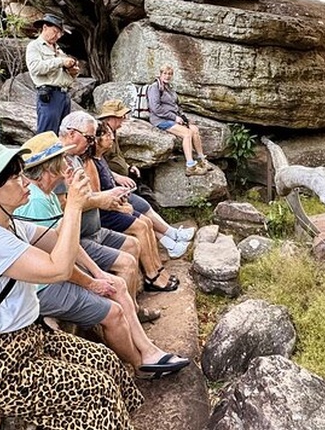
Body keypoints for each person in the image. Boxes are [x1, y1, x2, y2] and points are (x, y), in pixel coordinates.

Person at [0, 140, 143, 430]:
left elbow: (61, 242)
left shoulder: (10, 224)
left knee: (105, 360)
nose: (26, 181)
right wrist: (74, 206)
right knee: (97, 389)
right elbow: (58, 268)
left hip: (29, 340)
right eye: (15, 177)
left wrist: (78, 201)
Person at [14, 132, 191, 374]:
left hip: (58, 272)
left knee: (116, 283)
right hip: (43, 285)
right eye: (61, 159)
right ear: (49, 168)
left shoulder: (46, 194)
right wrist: (92, 282)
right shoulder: (36, 202)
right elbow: (57, 261)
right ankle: (140, 366)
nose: (67, 162)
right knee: (113, 310)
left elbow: (65, 242)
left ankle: (149, 350)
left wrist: (98, 273)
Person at [60, 112, 179, 291]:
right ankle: (152, 275)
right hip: (90, 229)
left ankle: (156, 270)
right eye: (89, 138)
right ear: (71, 133)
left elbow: (90, 194)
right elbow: (71, 203)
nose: (91, 143)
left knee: (144, 224)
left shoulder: (78, 158)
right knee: (140, 226)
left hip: (96, 225)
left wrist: (112, 195)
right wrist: (107, 199)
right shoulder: (64, 163)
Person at [97, 99, 196, 255]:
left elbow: (117, 157)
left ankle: (172, 238)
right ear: (111, 118)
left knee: (146, 206)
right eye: (121, 117)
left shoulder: (112, 134)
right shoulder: (102, 137)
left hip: (123, 182)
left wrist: (128, 166)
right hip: (114, 188)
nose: (123, 120)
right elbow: (101, 164)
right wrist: (116, 177)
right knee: (142, 210)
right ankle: (171, 240)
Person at [147, 64, 212, 176]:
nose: (167, 76)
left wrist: (185, 119)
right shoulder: (155, 87)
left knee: (194, 129)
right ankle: (190, 166)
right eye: (165, 73)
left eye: (170, 74)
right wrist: (174, 117)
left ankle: (202, 160)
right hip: (160, 120)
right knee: (187, 133)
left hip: (173, 118)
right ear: (160, 74)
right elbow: (155, 108)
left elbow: (176, 106)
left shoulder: (169, 88)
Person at [26, 13, 78, 135]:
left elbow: (64, 74)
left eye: (60, 33)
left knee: (63, 135)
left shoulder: (58, 49)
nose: (58, 36)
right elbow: (35, 68)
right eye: (55, 31)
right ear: (45, 28)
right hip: (49, 95)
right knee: (47, 135)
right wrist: (61, 62)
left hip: (64, 95)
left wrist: (73, 72)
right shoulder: (34, 46)